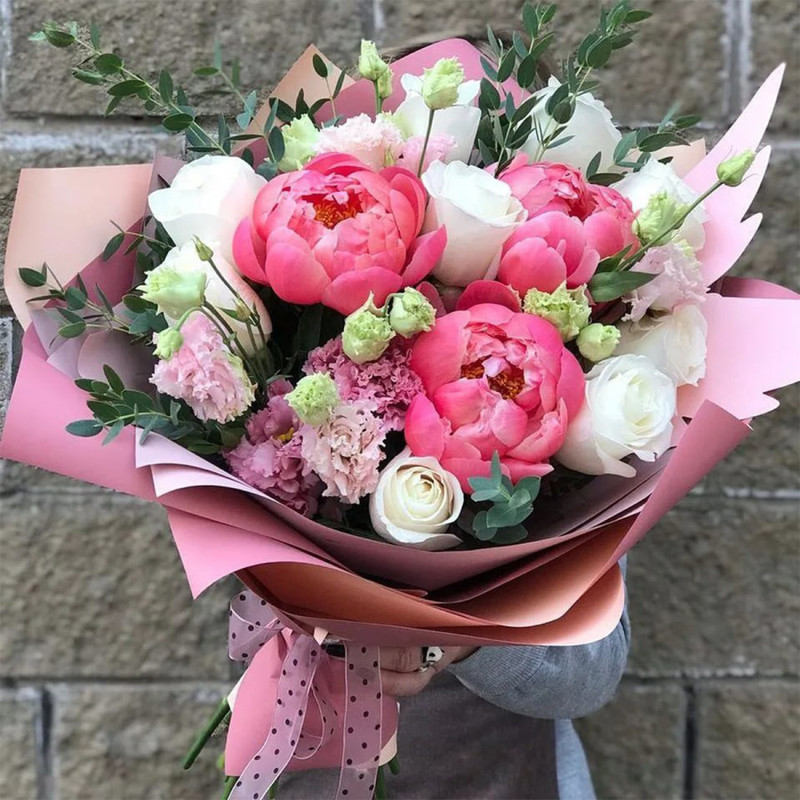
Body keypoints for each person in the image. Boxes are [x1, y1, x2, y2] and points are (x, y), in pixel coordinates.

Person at [274, 32, 630, 799]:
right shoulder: (281, 380)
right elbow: (244, 620)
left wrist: (464, 637)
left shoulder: (562, 409)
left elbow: (592, 671)